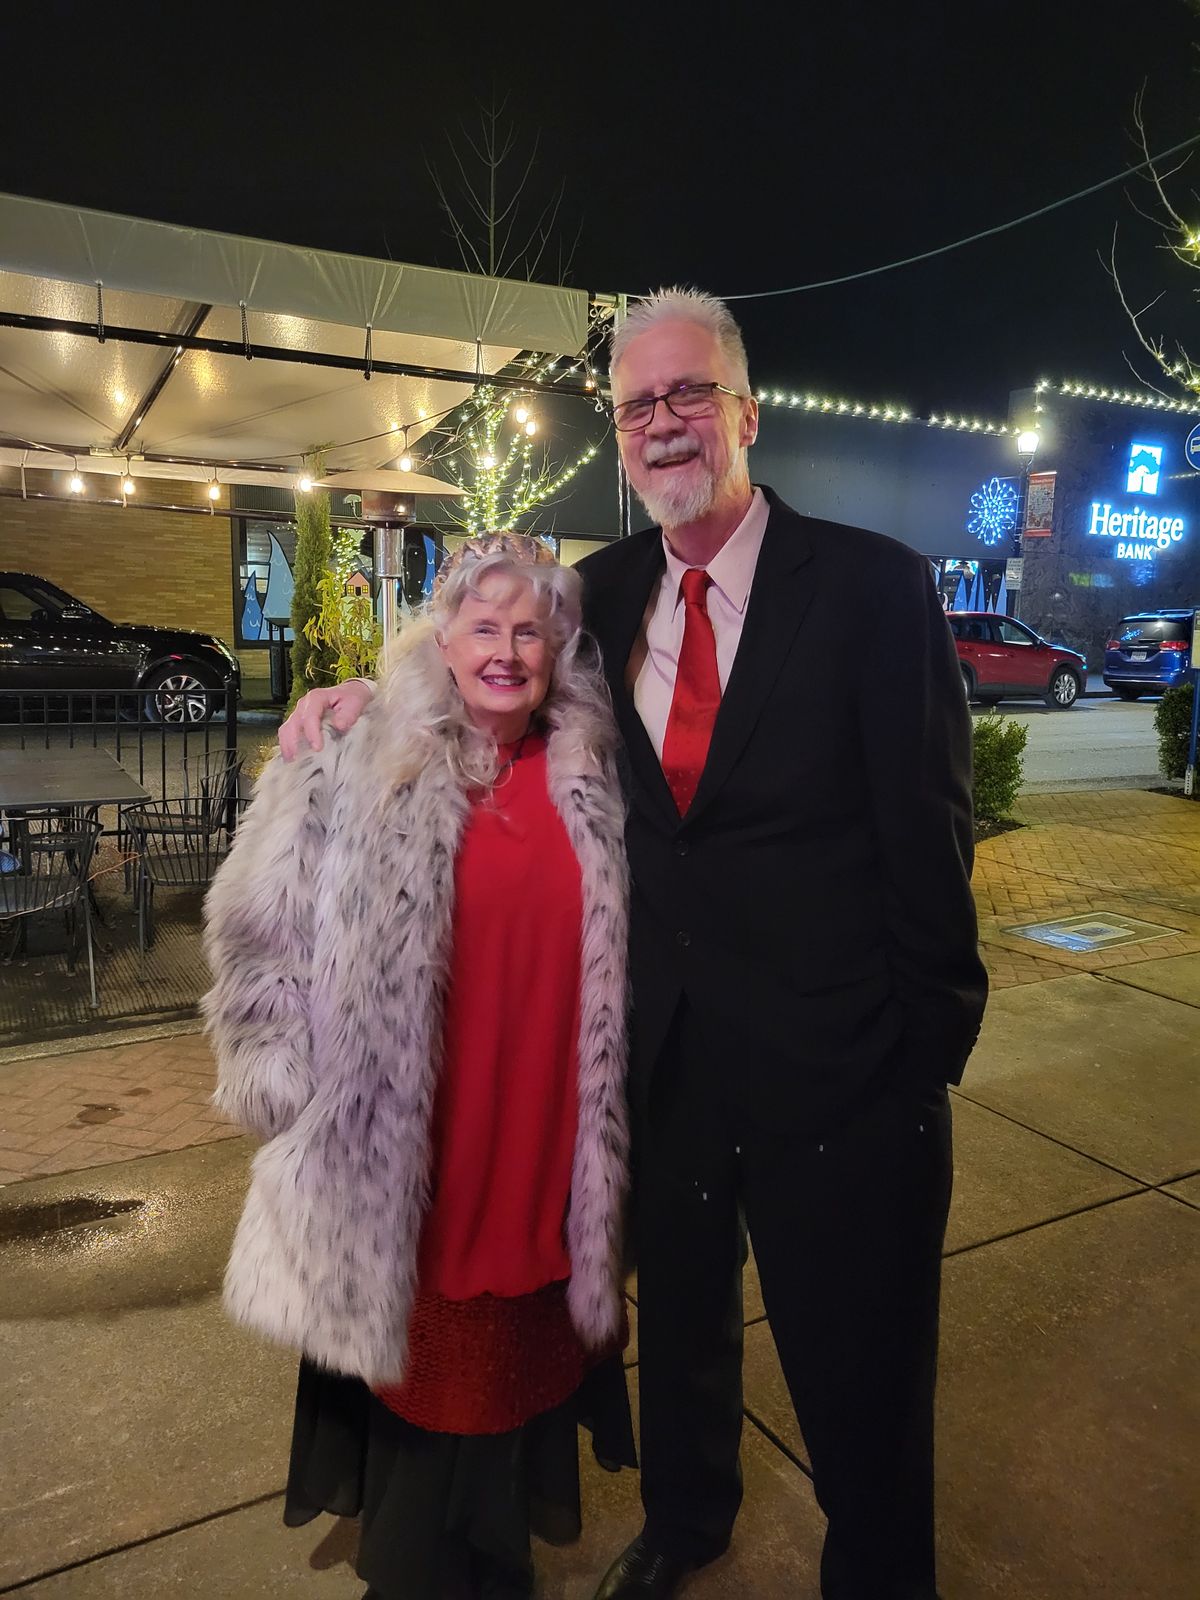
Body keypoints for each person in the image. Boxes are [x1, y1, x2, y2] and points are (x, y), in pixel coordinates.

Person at [280, 289, 989, 1600]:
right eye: (636, 404)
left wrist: (920, 1061)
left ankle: (882, 1574)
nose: (663, 423)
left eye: (688, 393)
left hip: (842, 1078)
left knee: (863, 1373)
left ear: (745, 413)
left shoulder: (875, 588)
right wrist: (362, 700)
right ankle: (685, 1519)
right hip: (660, 1072)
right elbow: (481, 677)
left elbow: (931, 841)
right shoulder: (599, 595)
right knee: (685, 1333)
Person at [206, 534, 635, 1600]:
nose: (505, 652)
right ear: (440, 640)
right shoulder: (359, 750)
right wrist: (279, 1073)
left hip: (541, 1141)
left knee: (516, 1385)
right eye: (483, 627)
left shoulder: (590, 774)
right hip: (412, 1150)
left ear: (557, 650)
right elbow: (261, 921)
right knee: (421, 1387)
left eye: (528, 631)